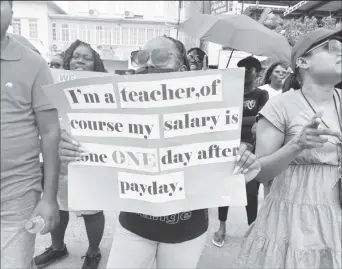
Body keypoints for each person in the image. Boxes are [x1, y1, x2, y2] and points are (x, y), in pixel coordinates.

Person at [57, 35, 261, 269]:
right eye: (142, 57)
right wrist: (75, 152)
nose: (150, 64)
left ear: (182, 68)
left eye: (161, 57)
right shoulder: (117, 108)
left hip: (186, 231)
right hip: (134, 226)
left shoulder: (210, 111)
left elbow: (234, 162)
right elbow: (101, 160)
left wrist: (242, 161)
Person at [237, 28, 342, 268]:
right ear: (302, 61)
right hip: (289, 219)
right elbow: (259, 173)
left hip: (336, 217)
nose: (340, 51)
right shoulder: (279, 106)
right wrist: (296, 145)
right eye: (331, 47)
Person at [34, 40, 107, 269]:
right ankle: (58, 248)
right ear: (68, 60)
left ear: (96, 63)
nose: (80, 61)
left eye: (87, 57)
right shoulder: (52, 83)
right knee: (58, 204)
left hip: (90, 157)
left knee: (91, 208)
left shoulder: (104, 88)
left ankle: (94, 251)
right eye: (76, 56)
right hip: (58, 156)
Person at [1, 1, 60, 269]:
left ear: (12, 12)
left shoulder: (34, 63)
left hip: (17, 192)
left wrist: (49, 199)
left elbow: (50, 132)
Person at [213, 56, 269, 248]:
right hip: (228, 147)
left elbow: (260, 121)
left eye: (250, 68)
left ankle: (251, 229)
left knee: (250, 193)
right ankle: (221, 227)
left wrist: (236, 119)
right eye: (242, 67)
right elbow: (220, 118)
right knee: (225, 189)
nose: (246, 71)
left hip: (251, 148)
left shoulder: (261, 94)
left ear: (258, 73)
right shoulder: (230, 92)